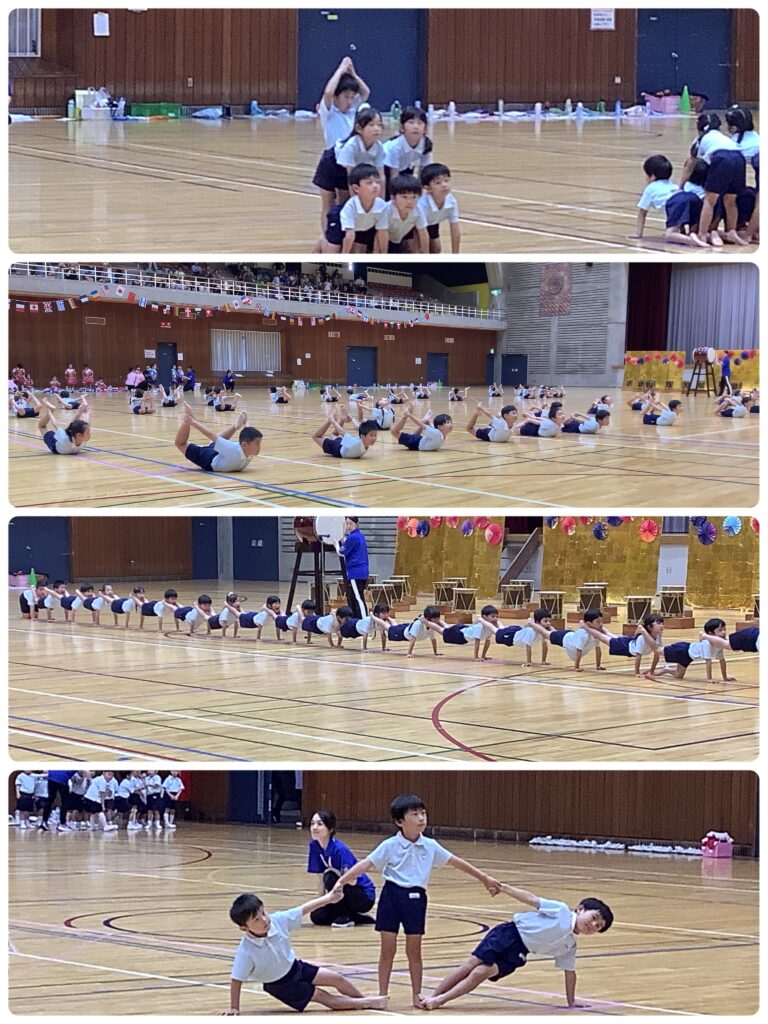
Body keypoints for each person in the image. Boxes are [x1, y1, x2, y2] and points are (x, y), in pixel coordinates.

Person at [333, 794, 499, 1008]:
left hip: (416, 900)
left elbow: (457, 862)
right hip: (391, 897)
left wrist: (485, 878)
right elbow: (366, 864)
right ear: (399, 821)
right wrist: (342, 881)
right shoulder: (389, 845)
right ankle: (381, 995)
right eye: (415, 814)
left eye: (423, 813)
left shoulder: (430, 845)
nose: (421, 818)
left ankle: (417, 995)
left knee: (414, 951)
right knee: (387, 950)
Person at [419, 883, 613, 1010]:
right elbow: (531, 899)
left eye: (598, 926)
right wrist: (503, 888)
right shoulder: (561, 910)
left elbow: (570, 973)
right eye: (594, 918)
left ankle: (439, 1001)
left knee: (480, 973)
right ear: (580, 909)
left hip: (519, 953)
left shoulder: (569, 946)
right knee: (472, 964)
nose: (593, 925)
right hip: (508, 934)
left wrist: (572, 1002)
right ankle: (432, 996)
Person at [224, 891, 388, 1013]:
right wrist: (234, 1008)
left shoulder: (278, 920)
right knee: (324, 997)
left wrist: (329, 898)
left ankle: (364, 1000)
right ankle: (365, 1003)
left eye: (263, 913)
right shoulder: (246, 952)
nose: (265, 920)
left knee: (337, 978)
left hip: (296, 967)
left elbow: (303, 909)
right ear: (244, 928)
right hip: (280, 984)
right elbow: (236, 980)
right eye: (257, 919)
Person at [312, 56, 371, 230]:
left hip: (350, 161)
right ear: (337, 97)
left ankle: (341, 235)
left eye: (352, 97)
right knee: (328, 204)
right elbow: (328, 93)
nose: (350, 101)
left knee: (344, 203)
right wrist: (340, 69)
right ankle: (326, 236)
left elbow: (365, 92)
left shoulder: (353, 111)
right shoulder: (329, 112)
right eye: (346, 97)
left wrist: (352, 73)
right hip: (331, 161)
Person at [307, 809, 376, 927]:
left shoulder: (339, 849)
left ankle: (346, 916)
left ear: (330, 829)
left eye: (319, 824)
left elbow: (352, 881)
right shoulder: (314, 846)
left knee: (330, 876)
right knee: (317, 916)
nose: (314, 827)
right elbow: (320, 878)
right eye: (312, 823)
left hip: (362, 894)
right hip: (340, 893)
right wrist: (321, 901)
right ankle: (357, 918)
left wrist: (339, 878)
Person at [316, 162, 387, 255]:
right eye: (369, 183)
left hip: (362, 227)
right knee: (332, 251)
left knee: (359, 252)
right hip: (339, 222)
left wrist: (383, 254)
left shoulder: (382, 206)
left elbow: (382, 231)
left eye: (378, 182)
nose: (375, 186)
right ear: (356, 188)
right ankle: (318, 248)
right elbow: (349, 235)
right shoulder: (350, 207)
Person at [174, 403, 262, 473]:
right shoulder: (233, 451)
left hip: (223, 455)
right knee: (180, 444)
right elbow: (211, 435)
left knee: (218, 441)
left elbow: (248, 432)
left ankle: (235, 427)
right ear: (244, 445)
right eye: (257, 443)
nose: (259, 447)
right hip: (209, 459)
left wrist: (246, 421)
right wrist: (192, 422)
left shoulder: (249, 451)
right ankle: (187, 420)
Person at [644, 617, 737, 684]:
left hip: (688, 658)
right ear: (710, 633)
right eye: (720, 630)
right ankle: (643, 631)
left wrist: (725, 677)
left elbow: (722, 661)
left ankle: (665, 669)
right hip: (682, 650)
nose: (724, 632)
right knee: (657, 650)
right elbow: (708, 662)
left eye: (724, 629)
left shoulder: (720, 644)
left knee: (679, 675)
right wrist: (709, 679)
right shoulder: (707, 643)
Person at [374, 173, 429, 253]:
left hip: (398, 239)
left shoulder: (418, 210)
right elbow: (382, 234)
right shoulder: (386, 210)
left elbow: (423, 233)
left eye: (414, 197)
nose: (409, 202)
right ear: (393, 197)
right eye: (404, 197)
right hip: (379, 239)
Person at [418, 163, 461, 253]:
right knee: (413, 249)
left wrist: (456, 255)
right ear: (428, 188)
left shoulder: (451, 201)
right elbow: (421, 233)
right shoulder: (421, 205)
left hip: (431, 222)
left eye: (446, 181)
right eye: (438, 183)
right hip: (413, 227)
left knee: (436, 249)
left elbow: (455, 228)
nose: (444, 185)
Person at [336, 517, 369, 619]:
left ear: (356, 524)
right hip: (362, 571)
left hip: (355, 572)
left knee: (358, 598)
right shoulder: (359, 535)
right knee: (356, 597)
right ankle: (357, 619)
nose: (348, 526)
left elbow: (341, 552)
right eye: (347, 524)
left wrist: (335, 544)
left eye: (351, 524)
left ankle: (363, 620)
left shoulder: (353, 537)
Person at [311, 408, 378, 459]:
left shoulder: (362, 438)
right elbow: (341, 432)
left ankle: (342, 419)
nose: (374, 438)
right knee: (316, 436)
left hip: (344, 445)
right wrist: (332, 421)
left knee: (333, 435)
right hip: (337, 449)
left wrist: (352, 418)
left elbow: (358, 427)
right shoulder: (354, 443)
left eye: (375, 435)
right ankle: (330, 419)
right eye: (371, 435)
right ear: (363, 436)